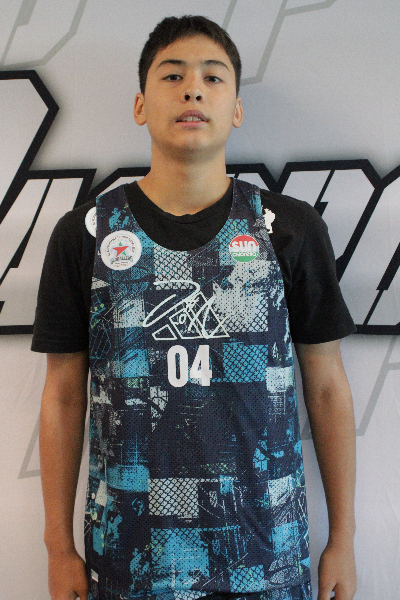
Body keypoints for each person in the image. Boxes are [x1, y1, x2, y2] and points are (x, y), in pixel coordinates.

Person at [32, 15, 357, 600]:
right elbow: (61, 396)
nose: (193, 90)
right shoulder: (85, 235)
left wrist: (344, 539)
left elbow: (328, 386)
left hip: (268, 557)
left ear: (236, 108)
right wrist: (58, 547)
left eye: (213, 77)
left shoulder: (289, 229)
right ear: (140, 105)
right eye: (172, 75)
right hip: (131, 561)